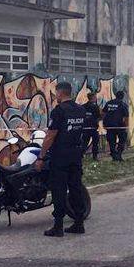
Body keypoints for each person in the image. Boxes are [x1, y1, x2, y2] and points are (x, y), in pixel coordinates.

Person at [35, 82, 88, 237]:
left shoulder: (59, 111)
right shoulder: (80, 110)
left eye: (56, 93)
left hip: (61, 156)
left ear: (60, 93)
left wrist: (41, 157)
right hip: (76, 154)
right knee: (75, 188)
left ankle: (58, 226)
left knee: (59, 190)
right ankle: (79, 223)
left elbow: (50, 135)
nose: (55, 96)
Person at [102, 90, 130, 162]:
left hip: (110, 126)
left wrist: (104, 123)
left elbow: (103, 113)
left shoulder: (109, 103)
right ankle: (119, 155)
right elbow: (126, 116)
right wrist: (126, 126)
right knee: (122, 140)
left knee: (111, 141)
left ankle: (114, 156)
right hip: (119, 126)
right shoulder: (123, 104)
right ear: (122, 97)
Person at [82, 92, 102, 160]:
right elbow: (98, 116)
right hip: (93, 128)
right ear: (93, 98)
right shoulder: (95, 107)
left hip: (85, 128)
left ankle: (81, 156)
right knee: (95, 143)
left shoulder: (83, 106)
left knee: (84, 143)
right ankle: (95, 157)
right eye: (95, 97)